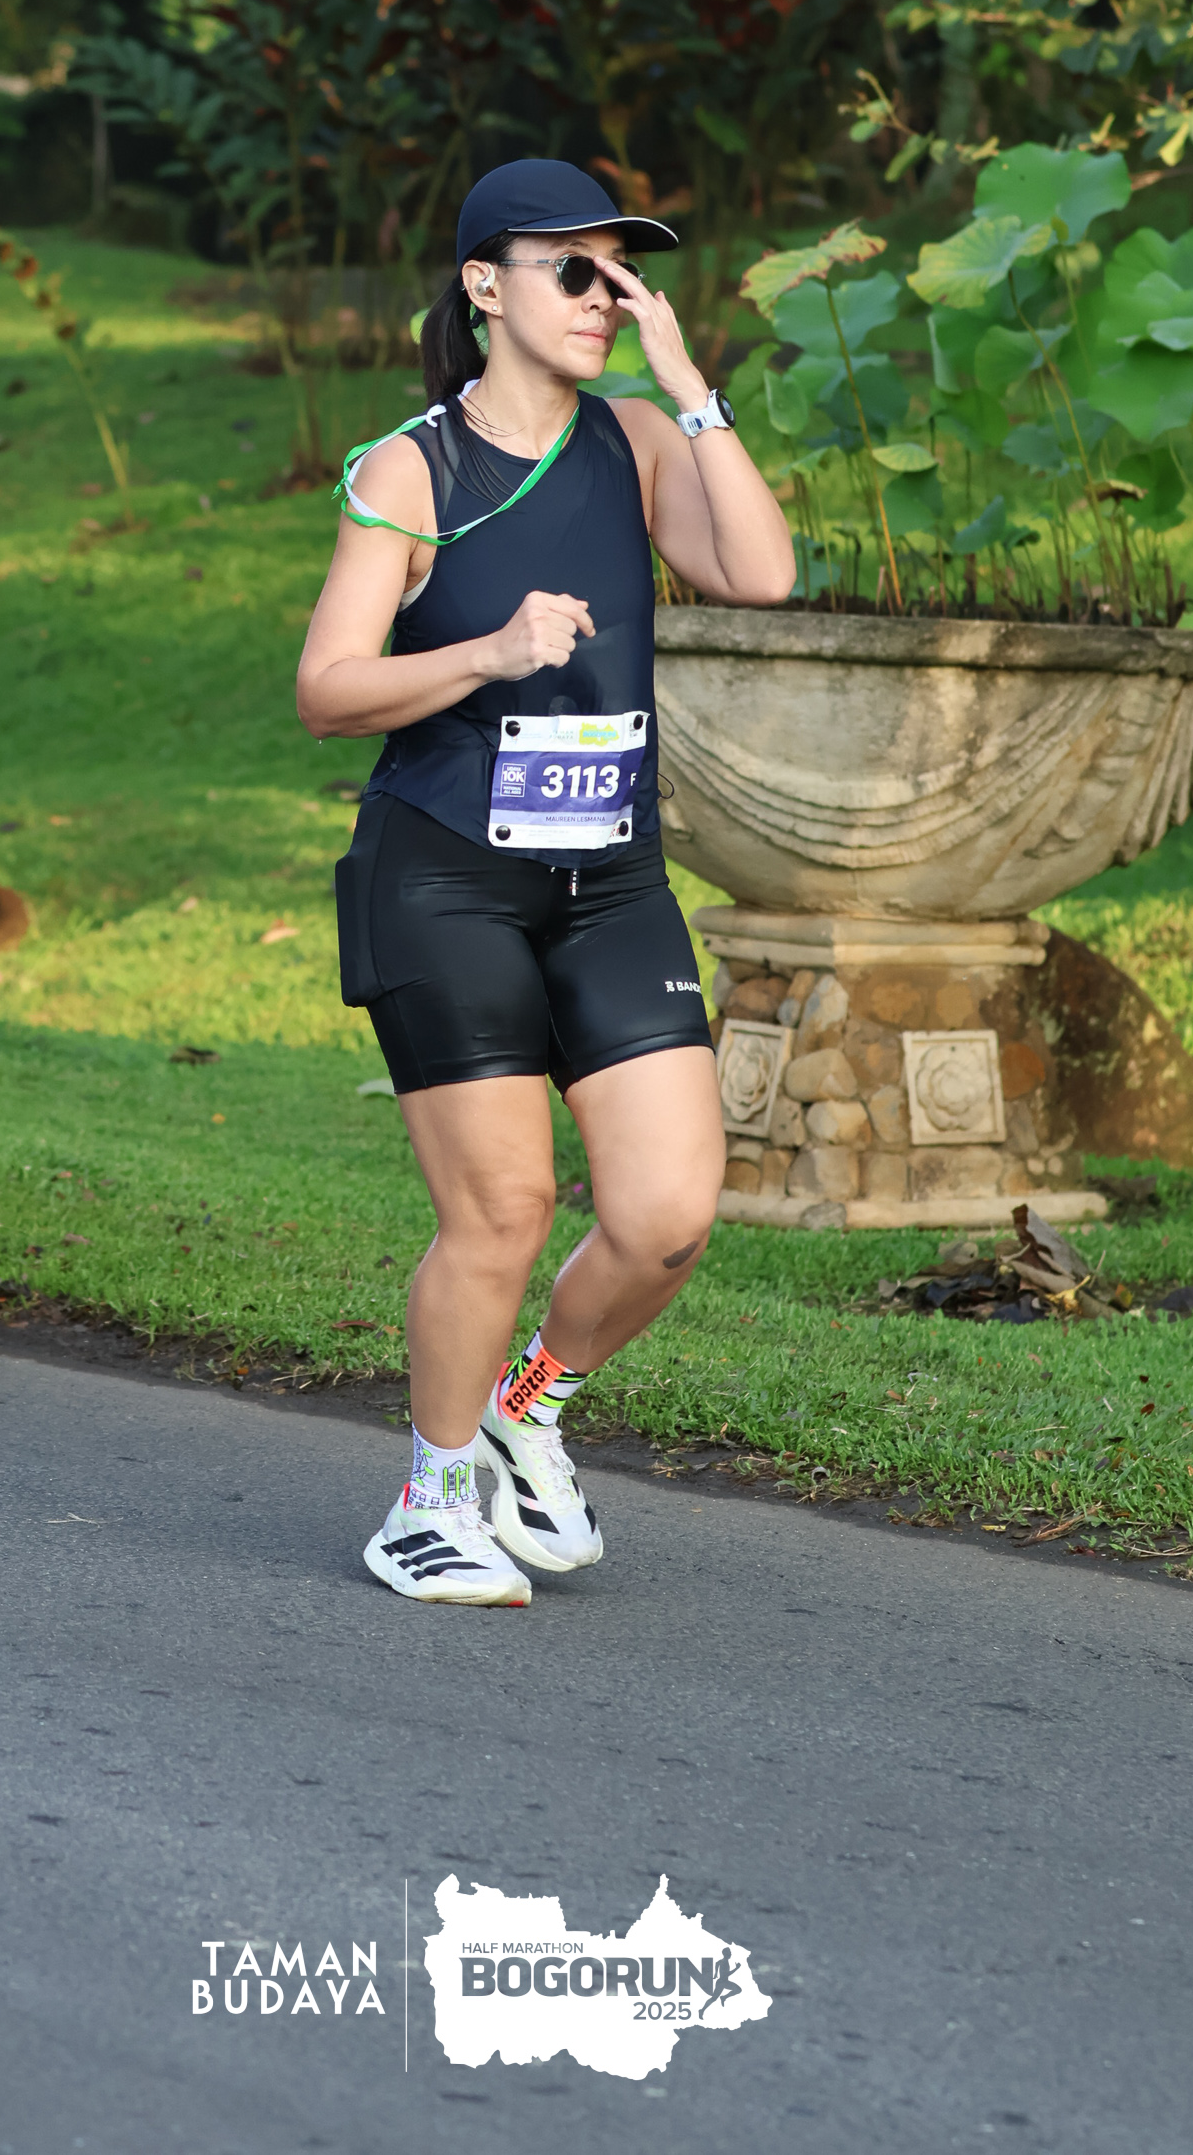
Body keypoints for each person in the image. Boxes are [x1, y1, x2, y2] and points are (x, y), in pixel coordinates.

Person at [297, 159, 797, 1604]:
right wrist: (490, 652)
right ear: (485, 285)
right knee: (505, 1208)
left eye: (622, 273)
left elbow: (760, 573)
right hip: (444, 878)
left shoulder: (634, 441)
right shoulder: (412, 471)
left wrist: (688, 386)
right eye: (573, 270)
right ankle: (428, 1497)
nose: (604, 297)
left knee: (668, 1214)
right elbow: (328, 688)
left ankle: (527, 1406)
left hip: (610, 879)